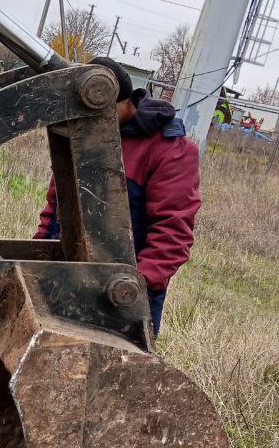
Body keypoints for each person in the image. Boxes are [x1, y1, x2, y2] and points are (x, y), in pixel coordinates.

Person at [35, 59, 201, 335]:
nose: (86, 119)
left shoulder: (171, 150)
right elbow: (57, 203)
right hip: (64, 276)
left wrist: (130, 289)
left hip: (122, 296)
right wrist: (40, 254)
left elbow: (172, 234)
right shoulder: (82, 134)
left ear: (119, 100)